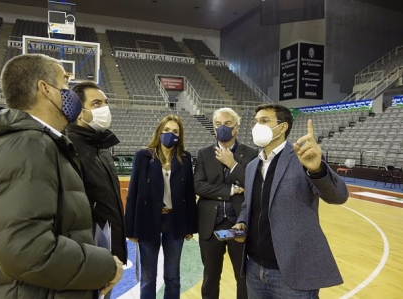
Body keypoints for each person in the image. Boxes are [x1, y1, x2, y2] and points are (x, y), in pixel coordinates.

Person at [0, 54, 123, 299]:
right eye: (64, 84)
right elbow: (26, 250)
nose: (70, 93)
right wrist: (105, 266)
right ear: (45, 88)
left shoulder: (26, 142)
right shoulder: (28, 145)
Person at [233, 104, 349, 298]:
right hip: (254, 267)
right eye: (255, 122)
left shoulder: (302, 158)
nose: (257, 126)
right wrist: (242, 222)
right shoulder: (252, 165)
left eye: (264, 121)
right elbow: (248, 205)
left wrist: (318, 170)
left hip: (293, 270)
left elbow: (339, 196)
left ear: (283, 127)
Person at [65, 81, 128, 299]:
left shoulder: (100, 147)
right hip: (86, 256)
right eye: (96, 103)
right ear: (79, 111)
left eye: (106, 103)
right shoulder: (67, 147)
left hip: (105, 250)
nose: (104, 109)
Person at [125, 114, 197, 299]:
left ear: (180, 136)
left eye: (175, 131)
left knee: (172, 276)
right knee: (148, 277)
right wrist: (131, 229)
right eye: (166, 130)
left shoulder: (185, 158)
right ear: (159, 132)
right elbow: (133, 193)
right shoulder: (143, 156)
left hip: (176, 221)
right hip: (148, 220)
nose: (170, 134)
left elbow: (189, 194)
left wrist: (190, 227)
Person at [194, 107, 258, 299]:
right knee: (210, 277)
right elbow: (198, 186)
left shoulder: (251, 153)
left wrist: (233, 165)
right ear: (214, 128)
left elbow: (253, 184)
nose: (223, 127)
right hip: (210, 225)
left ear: (236, 127)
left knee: (243, 277)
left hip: (240, 223)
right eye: (218, 124)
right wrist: (230, 191)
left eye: (228, 123)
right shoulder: (204, 153)